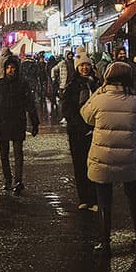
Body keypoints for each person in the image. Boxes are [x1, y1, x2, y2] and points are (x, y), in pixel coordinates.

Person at [81, 61, 136, 257]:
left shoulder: (99, 100)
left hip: (103, 158)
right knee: (133, 196)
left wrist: (98, 92)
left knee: (104, 200)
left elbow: (85, 115)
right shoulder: (134, 101)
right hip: (129, 156)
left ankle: (105, 242)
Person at [0, 55, 39, 194]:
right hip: (2, 123)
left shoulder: (23, 84)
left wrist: (35, 123)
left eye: (13, 68)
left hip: (17, 122)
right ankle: (8, 179)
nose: (10, 70)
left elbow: (30, 104)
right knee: (4, 155)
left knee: (18, 154)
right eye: (8, 68)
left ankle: (18, 180)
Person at [60, 52, 100, 211]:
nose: (85, 68)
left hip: (95, 130)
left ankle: (95, 198)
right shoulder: (72, 86)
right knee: (80, 164)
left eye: (87, 65)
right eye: (82, 65)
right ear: (77, 67)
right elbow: (68, 110)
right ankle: (84, 198)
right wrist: (81, 126)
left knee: (95, 164)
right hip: (77, 131)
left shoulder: (96, 84)